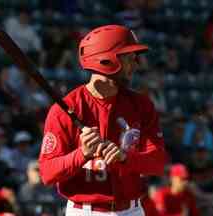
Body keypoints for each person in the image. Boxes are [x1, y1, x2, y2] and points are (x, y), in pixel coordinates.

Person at [38, 25, 167, 216]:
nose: (136, 65)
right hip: (86, 211)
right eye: (129, 58)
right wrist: (83, 153)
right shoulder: (65, 109)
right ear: (106, 60)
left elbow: (158, 163)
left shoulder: (142, 104)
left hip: (132, 210)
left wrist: (124, 158)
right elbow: (48, 173)